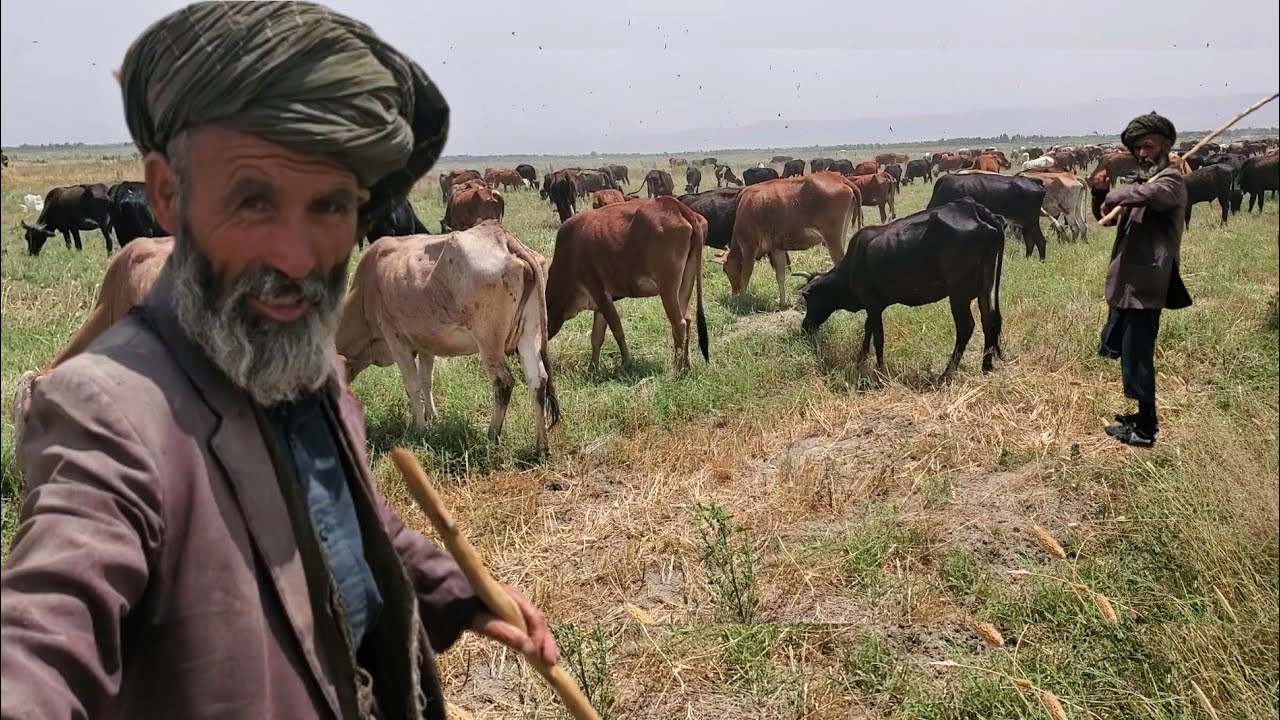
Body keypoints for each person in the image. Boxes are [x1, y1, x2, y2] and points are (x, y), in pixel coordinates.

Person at [0, 3, 559, 719]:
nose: (299, 258)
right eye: (256, 202)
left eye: (329, 206)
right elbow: (47, 629)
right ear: (168, 195)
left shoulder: (306, 369)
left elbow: (347, 522)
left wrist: (462, 592)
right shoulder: (108, 417)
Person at [1097, 111, 1192, 448]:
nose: (1141, 153)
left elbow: (1154, 196)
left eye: (1148, 146)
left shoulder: (1170, 182)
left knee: (1138, 356)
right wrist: (1101, 194)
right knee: (1128, 352)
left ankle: (1146, 430)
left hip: (1146, 284)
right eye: (1137, 148)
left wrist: (1119, 195)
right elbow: (1108, 219)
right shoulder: (1143, 183)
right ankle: (1141, 416)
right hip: (1128, 283)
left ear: (1165, 146)